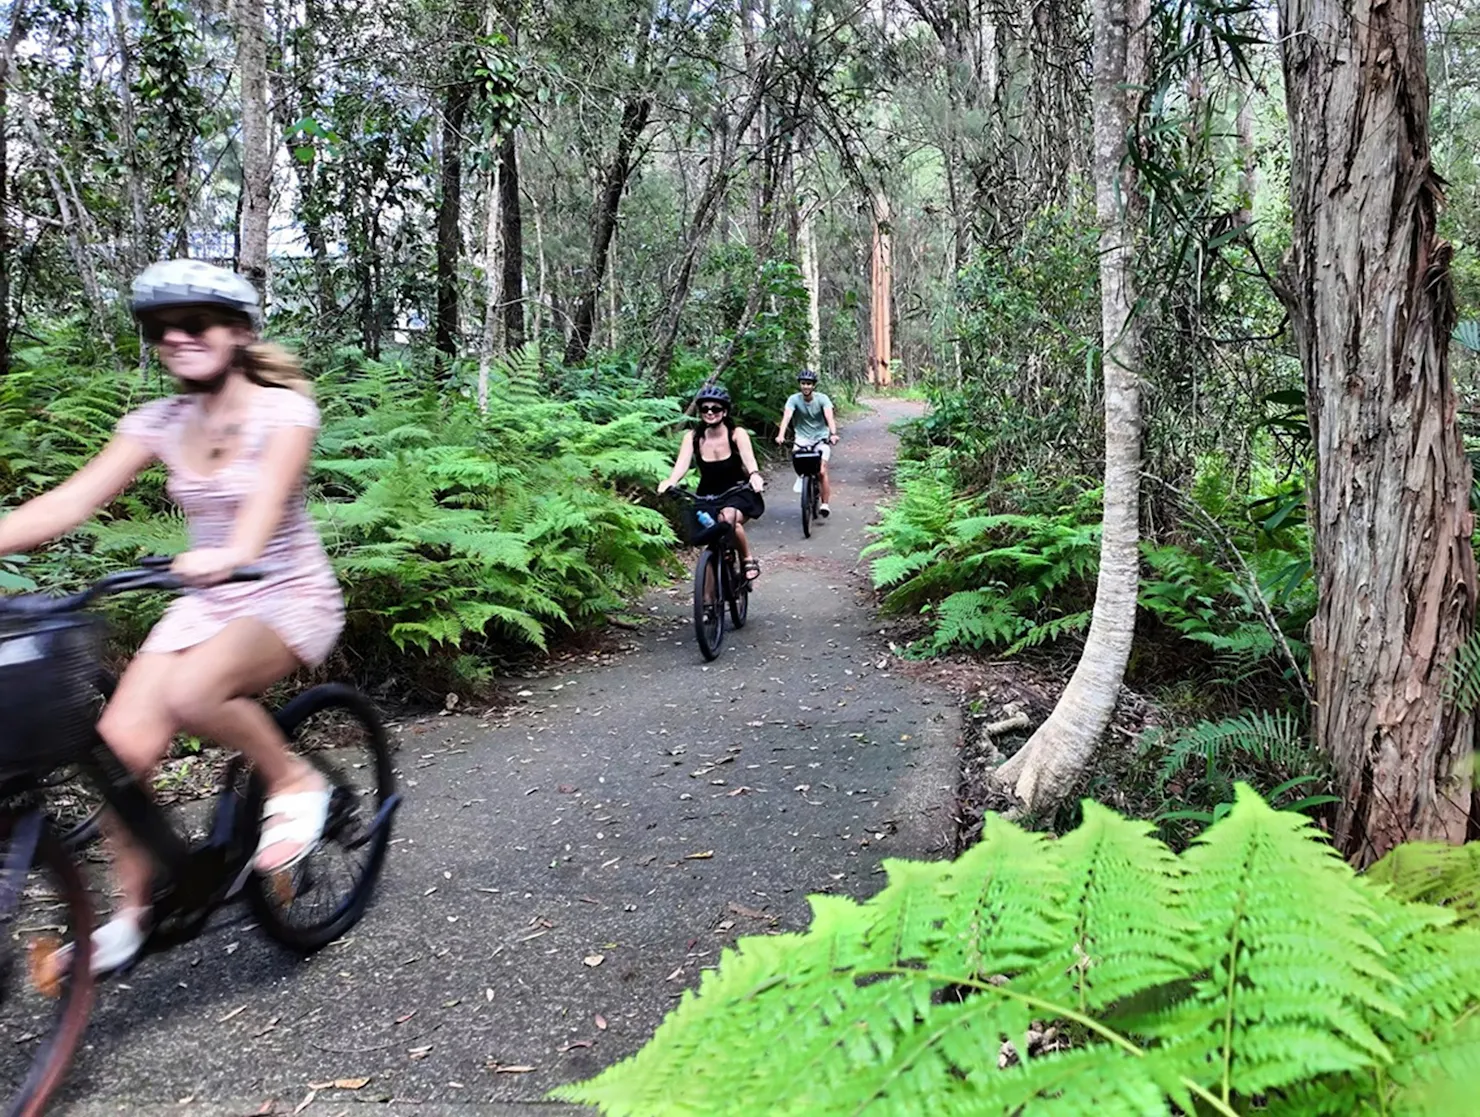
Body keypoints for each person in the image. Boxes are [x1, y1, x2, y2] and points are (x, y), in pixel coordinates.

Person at [0, 259, 344, 974]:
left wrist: (229, 553)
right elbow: (69, 501)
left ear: (241, 332)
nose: (176, 338)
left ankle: (294, 778)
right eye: (160, 328)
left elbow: (261, 514)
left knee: (195, 692)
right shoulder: (158, 420)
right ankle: (134, 913)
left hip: (283, 591)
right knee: (117, 755)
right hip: (205, 604)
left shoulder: (286, 413)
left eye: (194, 323)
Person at [657, 384, 765, 581]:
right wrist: (670, 481)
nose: (710, 412)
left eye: (715, 409)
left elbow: (749, 459)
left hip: (738, 492)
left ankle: (747, 559)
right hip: (708, 495)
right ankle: (707, 606)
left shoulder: (736, 434)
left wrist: (755, 475)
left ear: (724, 411)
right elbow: (681, 465)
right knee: (708, 539)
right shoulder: (693, 437)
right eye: (705, 409)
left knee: (728, 518)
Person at [775, 370, 839, 516]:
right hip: (802, 438)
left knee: (822, 472)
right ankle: (802, 478)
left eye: (809, 384)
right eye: (803, 383)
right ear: (800, 384)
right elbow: (786, 417)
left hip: (821, 437)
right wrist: (780, 435)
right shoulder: (793, 399)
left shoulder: (822, 399)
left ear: (814, 386)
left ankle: (824, 504)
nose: (806, 387)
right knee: (797, 458)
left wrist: (833, 434)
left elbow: (829, 417)